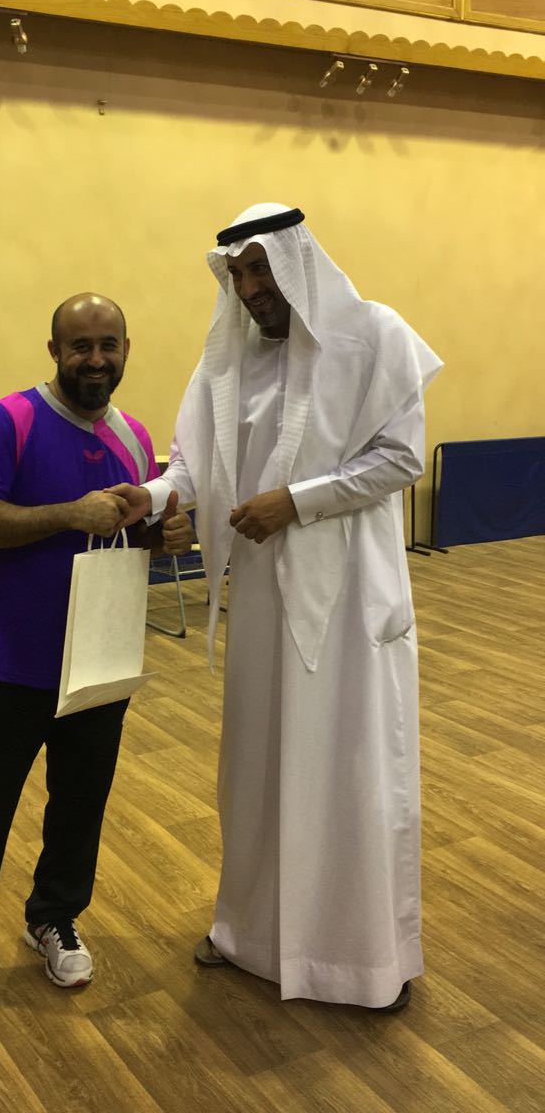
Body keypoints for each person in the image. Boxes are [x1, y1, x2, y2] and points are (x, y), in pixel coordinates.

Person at [108, 204, 443, 1011]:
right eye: (238, 274)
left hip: (349, 600)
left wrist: (296, 501)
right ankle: (251, 935)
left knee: (348, 766)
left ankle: (362, 961)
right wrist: (152, 494)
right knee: (258, 767)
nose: (251, 288)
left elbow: (400, 458)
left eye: (262, 269)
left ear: (298, 263)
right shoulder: (229, 361)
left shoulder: (373, 336)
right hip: (262, 599)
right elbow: (193, 464)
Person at [0, 293, 193, 1025]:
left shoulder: (134, 437)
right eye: (81, 346)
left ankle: (54, 916)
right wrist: (69, 513)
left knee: (80, 804)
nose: (95, 360)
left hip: (99, 660)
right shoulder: (7, 420)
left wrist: (162, 538)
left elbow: (127, 533)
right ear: (55, 352)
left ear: (126, 349)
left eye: (108, 345)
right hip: (8, 660)